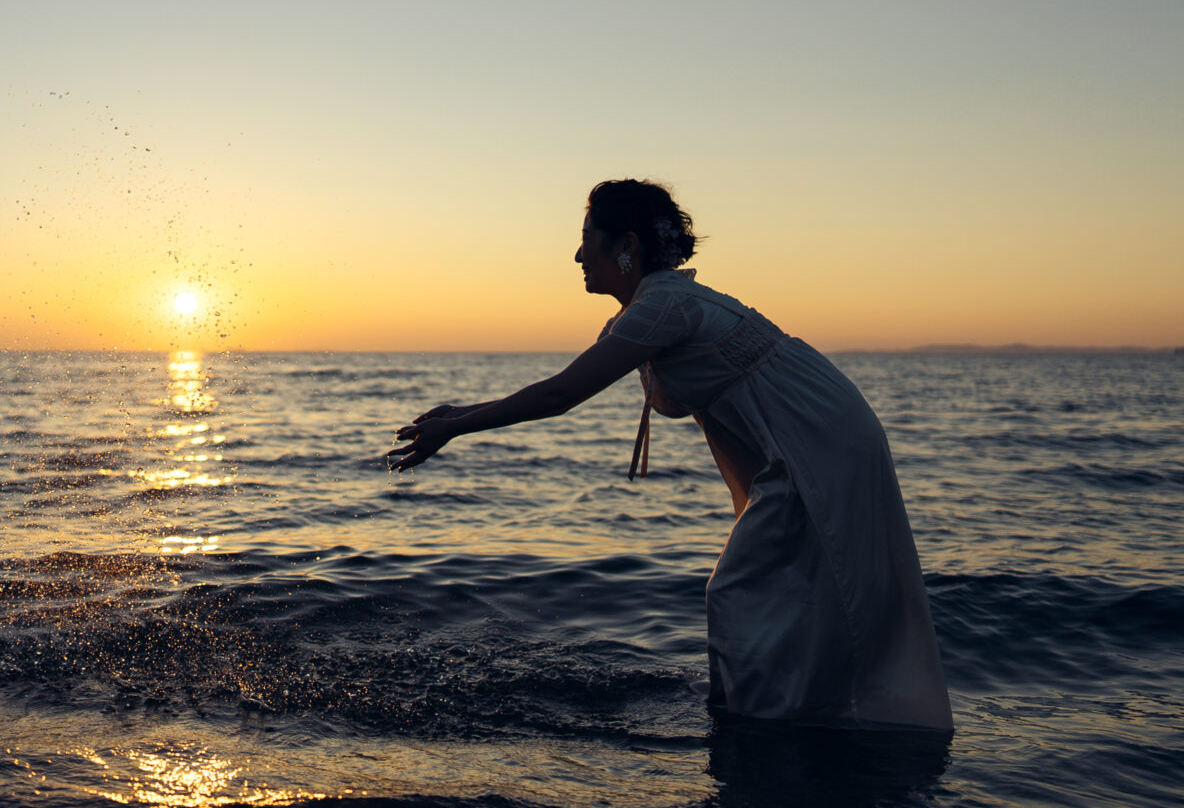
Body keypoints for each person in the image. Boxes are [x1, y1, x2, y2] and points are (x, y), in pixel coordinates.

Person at [389, 179, 952, 731]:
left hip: (818, 435)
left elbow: (562, 394)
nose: (578, 253)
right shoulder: (654, 306)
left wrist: (457, 428)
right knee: (775, 582)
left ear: (627, 245)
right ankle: (773, 712)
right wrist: (457, 414)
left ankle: (763, 724)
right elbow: (561, 382)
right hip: (812, 429)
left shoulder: (665, 307)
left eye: (589, 237)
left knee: (742, 587)